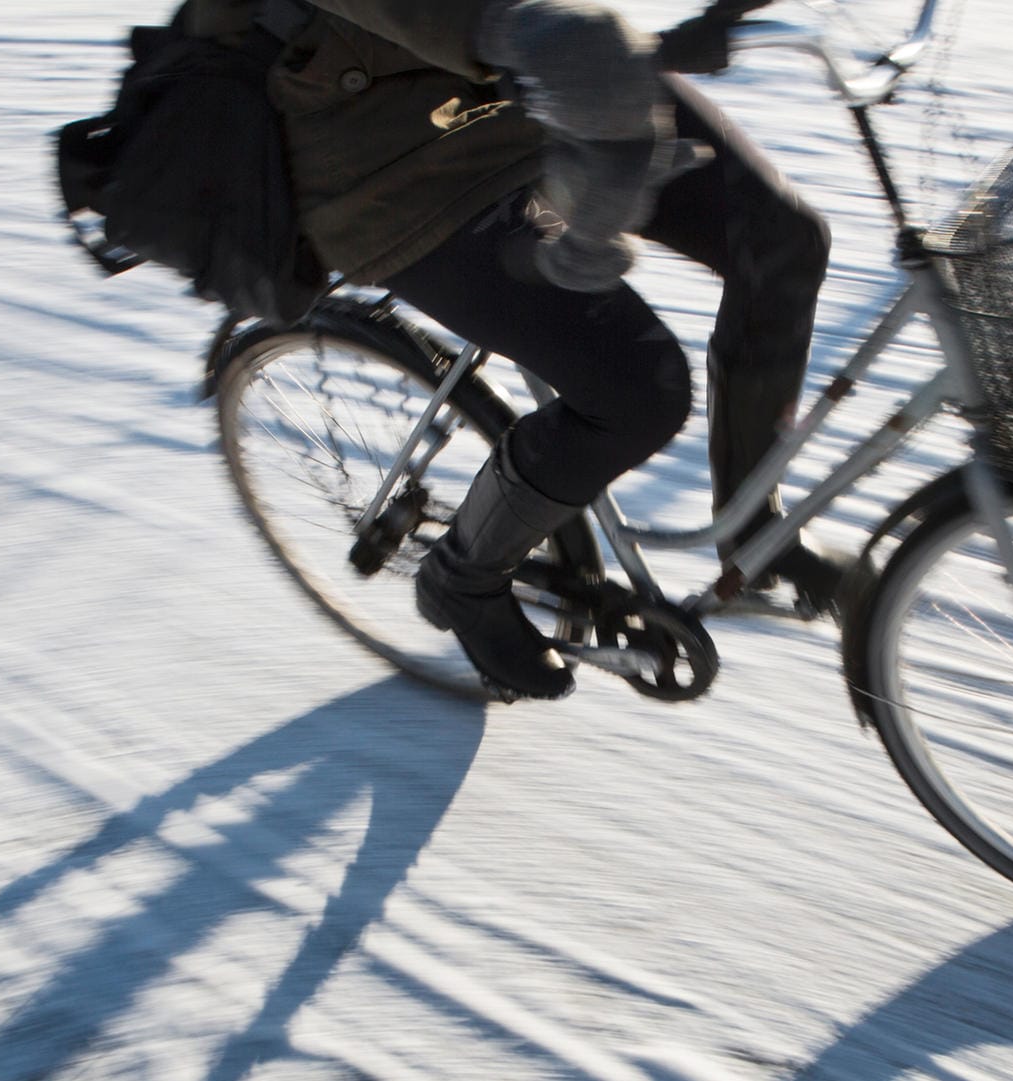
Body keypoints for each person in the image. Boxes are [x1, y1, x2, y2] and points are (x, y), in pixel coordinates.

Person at [190, 0, 838, 700]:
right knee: (636, 390)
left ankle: (752, 534)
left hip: (544, 76)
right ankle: (464, 580)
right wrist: (517, 31)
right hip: (390, 159)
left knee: (781, 243)